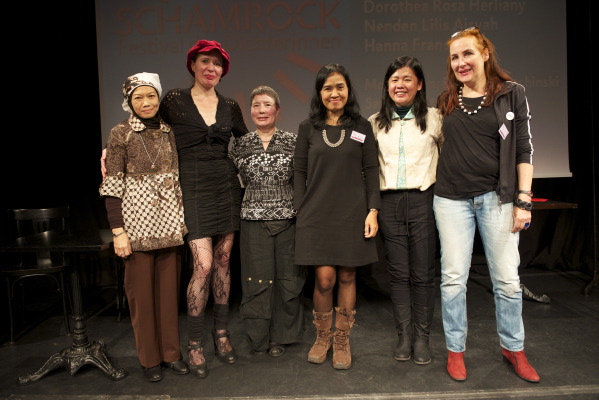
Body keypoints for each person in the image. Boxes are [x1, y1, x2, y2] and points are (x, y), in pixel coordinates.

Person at [434, 27, 540, 383]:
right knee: (453, 280)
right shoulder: (446, 100)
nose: (460, 62)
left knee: (507, 280)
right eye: (454, 57)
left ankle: (513, 348)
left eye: (467, 53)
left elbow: (523, 148)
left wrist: (524, 200)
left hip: (498, 199)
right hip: (450, 200)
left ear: (484, 54)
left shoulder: (511, 94)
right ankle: (455, 350)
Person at [159, 40, 248, 378]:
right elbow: (149, 127)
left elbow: (247, 141)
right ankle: (195, 342)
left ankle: (221, 333)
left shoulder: (229, 106)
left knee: (223, 262)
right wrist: (113, 148)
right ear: (193, 65)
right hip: (192, 189)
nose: (211, 68)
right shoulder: (175, 100)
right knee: (204, 265)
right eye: (205, 61)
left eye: (217, 63)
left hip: (226, 188)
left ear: (223, 71)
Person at [99, 72, 188, 382]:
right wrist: (118, 231)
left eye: (151, 95)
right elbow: (112, 185)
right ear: (129, 101)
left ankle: (171, 354)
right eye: (138, 97)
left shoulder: (169, 131)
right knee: (141, 298)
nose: (146, 102)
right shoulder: (120, 133)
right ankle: (150, 360)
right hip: (135, 227)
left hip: (169, 225)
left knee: (168, 297)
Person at [294, 64, 380, 370]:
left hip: (352, 213)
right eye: (328, 88)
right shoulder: (308, 128)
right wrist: (300, 207)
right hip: (317, 214)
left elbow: (371, 169)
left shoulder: (361, 127)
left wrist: (373, 210)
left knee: (347, 276)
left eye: (340, 87)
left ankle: (342, 339)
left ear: (348, 90)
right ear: (320, 93)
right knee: (324, 279)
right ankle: (323, 338)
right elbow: (299, 171)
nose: (334, 93)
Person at [368, 56, 443, 365]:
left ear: (419, 84)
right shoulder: (374, 122)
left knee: (423, 273)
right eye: (394, 79)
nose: (400, 85)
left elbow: (450, 160)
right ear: (387, 85)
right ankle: (404, 336)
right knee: (398, 274)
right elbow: (369, 170)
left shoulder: (435, 118)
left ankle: (422, 338)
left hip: (424, 201)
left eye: (407, 79)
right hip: (389, 204)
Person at [229, 86, 307, 357]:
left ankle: (281, 338)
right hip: (252, 221)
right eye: (256, 106)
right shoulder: (240, 144)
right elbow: (227, 180)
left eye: (267, 105)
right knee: (256, 280)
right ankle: (259, 337)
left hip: (288, 221)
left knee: (288, 280)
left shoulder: (293, 141)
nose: (261, 110)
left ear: (277, 110)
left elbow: (303, 181)